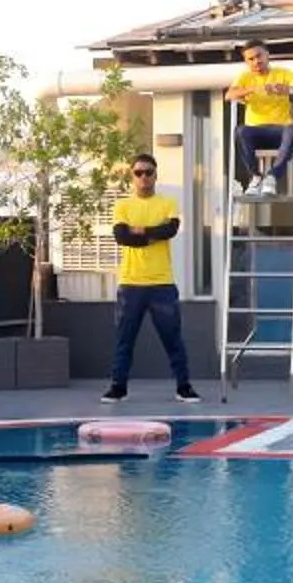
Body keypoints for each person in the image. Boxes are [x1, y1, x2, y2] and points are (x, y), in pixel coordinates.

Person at [104, 153, 200, 403]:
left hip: (162, 283)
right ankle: (118, 387)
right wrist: (151, 234)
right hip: (130, 283)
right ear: (132, 177)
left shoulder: (167, 202)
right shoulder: (122, 205)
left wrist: (140, 232)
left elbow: (170, 230)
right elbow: (122, 237)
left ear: (156, 175)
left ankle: (184, 386)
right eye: (138, 173)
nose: (144, 177)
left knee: (173, 338)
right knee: (124, 339)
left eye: (148, 172)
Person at [223, 43, 293, 197]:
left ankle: (271, 176)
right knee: (240, 130)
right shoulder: (245, 77)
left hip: (280, 130)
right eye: (251, 59)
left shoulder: (283, 73)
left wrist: (289, 90)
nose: (256, 61)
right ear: (246, 62)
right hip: (256, 132)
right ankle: (256, 176)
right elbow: (229, 95)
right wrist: (252, 89)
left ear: (267, 55)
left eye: (259, 56)